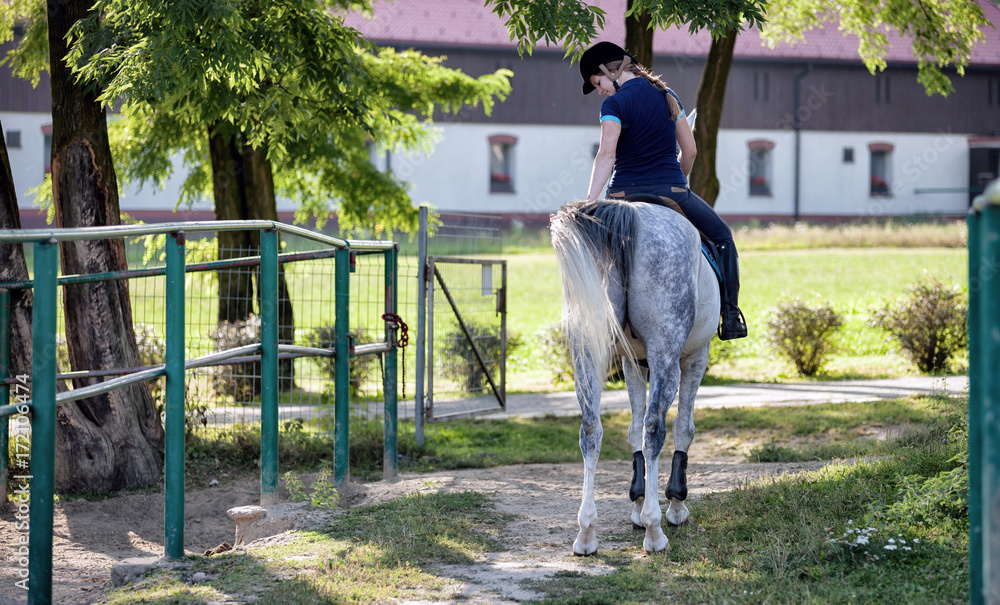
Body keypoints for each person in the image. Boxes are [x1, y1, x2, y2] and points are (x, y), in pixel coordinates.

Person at [580, 41, 748, 340]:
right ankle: (731, 314)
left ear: (612, 70)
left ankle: (593, 320)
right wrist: (678, 181)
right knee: (723, 237)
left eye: (598, 82)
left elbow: (607, 155)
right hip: (670, 191)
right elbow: (691, 151)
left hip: (621, 196)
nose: (600, 90)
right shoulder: (669, 96)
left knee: (594, 252)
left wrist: (590, 202)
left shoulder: (614, 106)